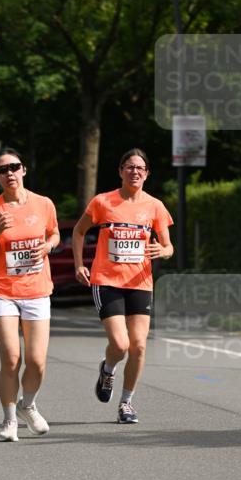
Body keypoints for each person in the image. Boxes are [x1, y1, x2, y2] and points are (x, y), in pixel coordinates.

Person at [72, 148, 174, 424]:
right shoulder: (103, 202)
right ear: (120, 171)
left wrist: (163, 251)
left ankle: (126, 403)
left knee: (138, 346)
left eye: (140, 168)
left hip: (140, 282)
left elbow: (168, 245)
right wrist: (79, 264)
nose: (135, 172)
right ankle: (108, 369)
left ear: (147, 174)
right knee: (120, 343)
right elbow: (79, 231)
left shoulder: (155, 206)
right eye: (129, 167)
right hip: (106, 280)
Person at [0, 147, 60, 442]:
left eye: (14, 167)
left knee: (37, 360)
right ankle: (9, 419)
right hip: (3, 292)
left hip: (37, 290)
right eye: (3, 169)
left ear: (23, 170)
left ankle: (28, 405)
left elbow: (54, 233)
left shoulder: (43, 204)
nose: (9, 173)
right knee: (12, 358)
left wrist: (49, 246)